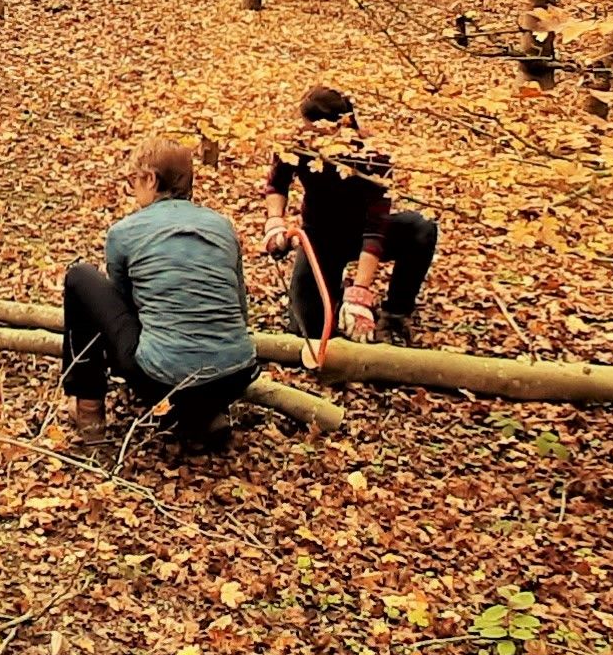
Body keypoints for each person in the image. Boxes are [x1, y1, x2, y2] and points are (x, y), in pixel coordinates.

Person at [61, 138, 260, 443]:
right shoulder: (222, 226)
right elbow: (240, 309)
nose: (133, 189)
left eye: (134, 180)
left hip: (162, 379)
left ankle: (89, 407)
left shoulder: (124, 232)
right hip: (236, 375)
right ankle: (203, 414)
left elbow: (126, 309)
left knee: (79, 277)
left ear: (151, 179)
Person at [262, 85, 435, 353]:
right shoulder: (297, 145)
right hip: (319, 238)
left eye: (312, 128)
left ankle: (395, 314)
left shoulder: (373, 158)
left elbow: (376, 230)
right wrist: (275, 221)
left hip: (364, 233)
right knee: (308, 330)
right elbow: (277, 185)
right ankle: (333, 292)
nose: (307, 133)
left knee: (421, 228)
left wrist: (360, 292)